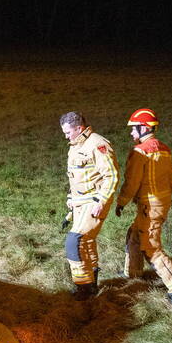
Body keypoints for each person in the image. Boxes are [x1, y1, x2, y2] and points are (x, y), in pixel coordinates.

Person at [114, 108, 172, 305]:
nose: (131, 133)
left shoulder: (140, 152)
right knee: (134, 235)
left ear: (144, 128)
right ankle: (133, 276)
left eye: (133, 129)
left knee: (150, 246)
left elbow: (132, 182)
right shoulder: (164, 149)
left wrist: (121, 202)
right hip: (160, 203)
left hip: (150, 205)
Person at [60, 111, 120, 300]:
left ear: (79, 128)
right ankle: (92, 284)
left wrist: (101, 201)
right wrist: (71, 197)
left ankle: (83, 286)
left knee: (74, 241)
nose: (66, 136)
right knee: (86, 242)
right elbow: (77, 177)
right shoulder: (75, 146)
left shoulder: (97, 144)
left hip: (93, 202)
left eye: (68, 132)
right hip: (80, 203)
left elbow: (111, 175)